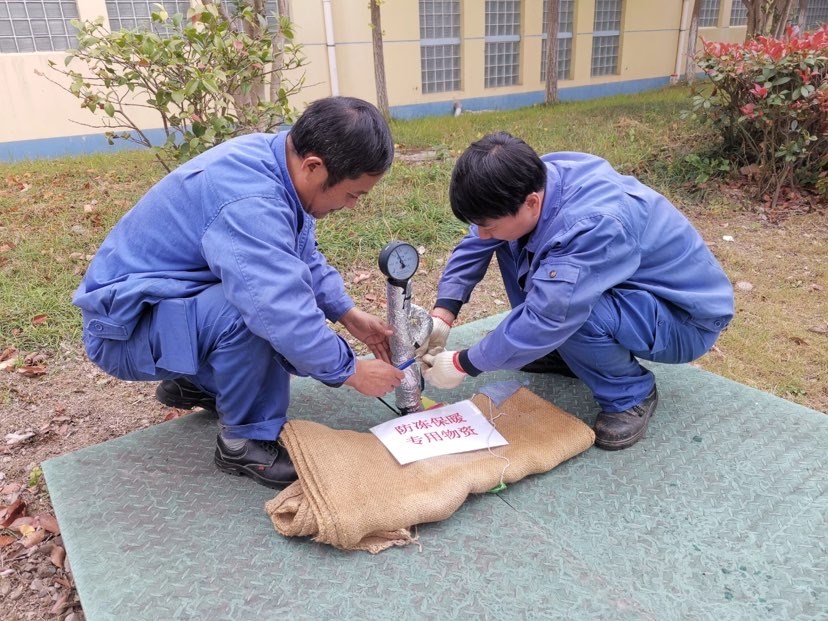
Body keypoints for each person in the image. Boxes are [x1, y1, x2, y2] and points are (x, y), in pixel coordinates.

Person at [73, 96, 404, 488]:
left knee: (253, 294)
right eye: (353, 195)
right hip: (125, 331)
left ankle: (195, 381)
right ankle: (244, 440)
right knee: (251, 313)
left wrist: (348, 313)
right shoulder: (251, 200)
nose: (350, 206)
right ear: (314, 166)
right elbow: (280, 311)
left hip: (158, 306)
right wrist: (351, 371)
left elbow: (298, 255)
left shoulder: (280, 160)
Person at [419, 132, 734, 450]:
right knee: (509, 243)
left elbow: (550, 316)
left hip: (684, 319)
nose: (483, 234)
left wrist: (463, 363)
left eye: (489, 224)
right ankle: (562, 353)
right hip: (634, 293)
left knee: (570, 311)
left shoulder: (590, 225)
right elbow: (477, 242)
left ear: (532, 202)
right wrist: (444, 313)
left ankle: (630, 394)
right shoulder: (528, 183)